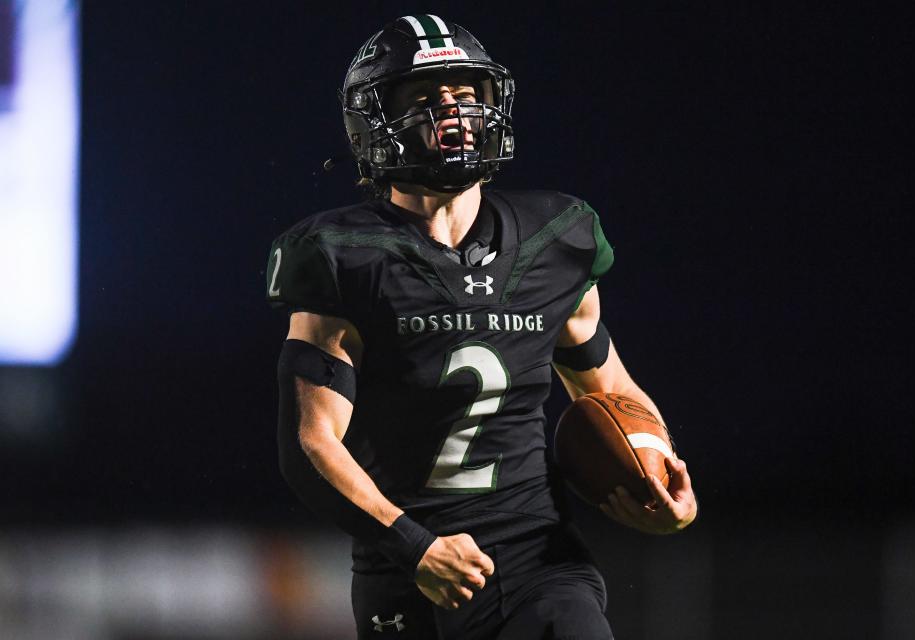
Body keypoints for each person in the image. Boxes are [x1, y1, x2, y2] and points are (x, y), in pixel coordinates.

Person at [266, 14, 697, 639]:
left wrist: (660, 473)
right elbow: (310, 444)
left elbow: (610, 393)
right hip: (411, 572)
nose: (455, 114)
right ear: (376, 120)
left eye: (468, 96)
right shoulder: (343, 254)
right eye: (426, 99)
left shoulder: (558, 238)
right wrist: (415, 546)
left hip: (540, 563)